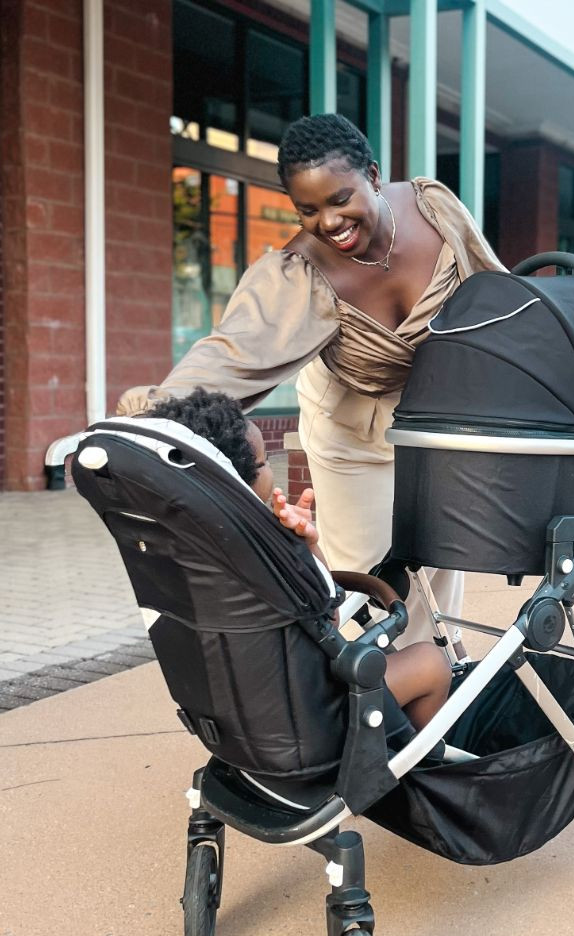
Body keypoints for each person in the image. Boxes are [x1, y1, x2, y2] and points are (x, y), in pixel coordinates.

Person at [119, 113, 505, 644]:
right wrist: (148, 423)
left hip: (437, 423)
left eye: (340, 199)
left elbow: (496, 292)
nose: (328, 222)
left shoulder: (433, 208)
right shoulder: (298, 273)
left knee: (439, 562)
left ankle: (438, 673)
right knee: (371, 583)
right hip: (355, 434)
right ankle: (378, 685)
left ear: (373, 175)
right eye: (308, 210)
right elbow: (228, 356)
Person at [143, 389, 450, 730]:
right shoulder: (267, 550)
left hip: (229, 715)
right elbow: (330, 615)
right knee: (429, 662)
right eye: (264, 462)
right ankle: (415, 755)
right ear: (236, 477)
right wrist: (307, 546)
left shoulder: (170, 554)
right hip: (307, 712)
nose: (269, 469)